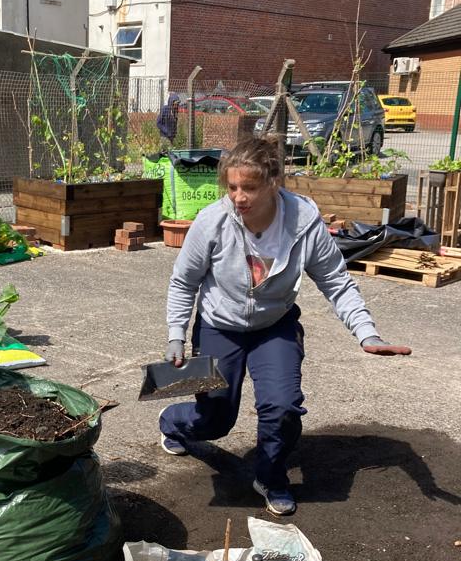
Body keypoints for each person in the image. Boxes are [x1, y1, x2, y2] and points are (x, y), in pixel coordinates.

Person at [159, 137, 411, 517]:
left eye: (249, 187)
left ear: (274, 180)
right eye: (232, 187)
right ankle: (173, 422)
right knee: (217, 419)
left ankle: (271, 475)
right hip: (219, 326)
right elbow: (184, 282)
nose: (238, 197)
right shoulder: (212, 222)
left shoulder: (303, 222)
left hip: (273, 325)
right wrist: (177, 335)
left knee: (282, 406)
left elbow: (335, 281)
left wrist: (367, 333)